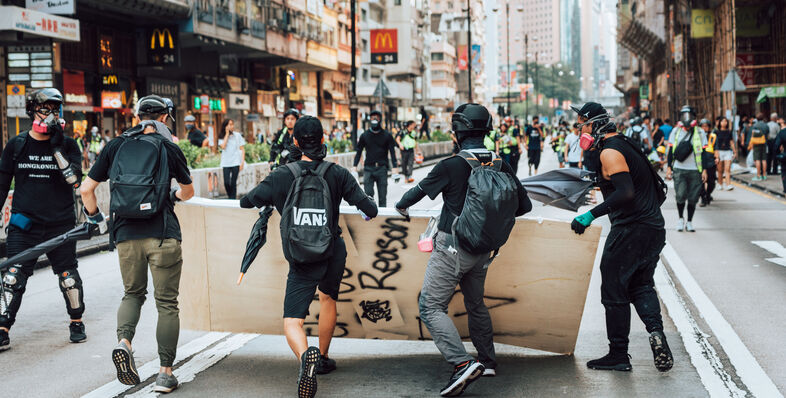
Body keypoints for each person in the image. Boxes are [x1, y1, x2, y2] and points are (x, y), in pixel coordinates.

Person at [395, 103, 532, 396]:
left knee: (430, 306)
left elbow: (413, 195)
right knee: (475, 303)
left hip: (452, 248)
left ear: (457, 131)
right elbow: (525, 205)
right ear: (486, 130)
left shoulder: (451, 165)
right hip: (484, 250)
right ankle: (487, 360)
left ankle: (461, 364)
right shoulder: (500, 163)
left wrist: (401, 206)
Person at [240, 116, 378, 398]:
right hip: (332, 251)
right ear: (323, 139)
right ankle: (323, 358)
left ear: (295, 141)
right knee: (328, 299)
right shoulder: (337, 173)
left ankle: (306, 357)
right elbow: (370, 209)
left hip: (301, 257)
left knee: (292, 320)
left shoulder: (282, 174)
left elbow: (246, 201)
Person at [80, 95, 194, 393]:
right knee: (166, 303)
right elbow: (188, 190)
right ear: (165, 118)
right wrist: (170, 197)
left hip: (126, 235)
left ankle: (124, 342)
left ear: (138, 116)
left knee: (132, 294)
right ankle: (165, 373)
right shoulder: (169, 147)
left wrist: (97, 219)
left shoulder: (116, 145)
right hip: (163, 233)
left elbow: (86, 189)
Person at [569, 102, 673, 373]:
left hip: (631, 230)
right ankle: (656, 334)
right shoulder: (625, 144)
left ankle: (618, 354)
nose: (581, 130)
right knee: (640, 285)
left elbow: (625, 191)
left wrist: (590, 215)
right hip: (652, 229)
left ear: (596, 125)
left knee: (613, 290)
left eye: (583, 125)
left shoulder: (610, 152)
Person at [0, 88, 86, 350]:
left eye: (55, 110)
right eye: (44, 109)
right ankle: (3, 326)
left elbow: (74, 180)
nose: (50, 115)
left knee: (68, 277)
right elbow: (2, 185)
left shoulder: (68, 145)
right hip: (24, 224)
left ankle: (76, 321)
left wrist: (56, 147)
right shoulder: (17, 144)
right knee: (13, 277)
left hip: (59, 224)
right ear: (31, 111)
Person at [666, 105, 708, 232]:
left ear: (694, 117)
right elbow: (670, 151)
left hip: (695, 170)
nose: (687, 118)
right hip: (679, 168)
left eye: (689, 115)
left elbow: (704, 152)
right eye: (684, 115)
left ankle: (689, 221)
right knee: (680, 194)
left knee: (693, 197)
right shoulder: (676, 131)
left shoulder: (700, 132)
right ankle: (680, 219)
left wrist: (704, 169)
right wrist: (669, 167)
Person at [353, 110, 398, 207]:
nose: (374, 119)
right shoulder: (364, 135)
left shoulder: (387, 135)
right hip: (368, 169)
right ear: (370, 119)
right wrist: (354, 166)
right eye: (372, 117)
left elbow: (392, 152)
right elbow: (359, 151)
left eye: (376, 117)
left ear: (380, 119)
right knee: (368, 195)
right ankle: (370, 215)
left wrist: (395, 167)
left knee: (383, 196)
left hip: (382, 168)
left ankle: (381, 218)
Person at [218, 119, 246, 199]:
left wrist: (242, 162)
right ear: (225, 126)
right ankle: (231, 197)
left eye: (232, 124)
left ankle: (232, 200)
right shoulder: (221, 137)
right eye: (229, 124)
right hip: (226, 162)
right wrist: (226, 134)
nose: (231, 126)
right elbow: (223, 146)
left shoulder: (237, 135)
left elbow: (242, 149)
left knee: (233, 183)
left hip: (236, 162)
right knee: (226, 182)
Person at [699, 119, 717, 207]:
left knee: (711, 182)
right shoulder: (697, 136)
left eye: (706, 126)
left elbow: (716, 148)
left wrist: (717, 157)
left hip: (710, 161)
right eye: (702, 126)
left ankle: (708, 194)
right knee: (700, 182)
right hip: (700, 161)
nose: (704, 128)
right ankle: (703, 198)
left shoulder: (713, 136)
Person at [714, 117, 736, 191]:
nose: (724, 123)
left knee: (727, 169)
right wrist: (715, 153)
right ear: (720, 123)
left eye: (726, 121)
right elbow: (714, 143)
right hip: (719, 151)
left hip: (727, 151)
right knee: (720, 170)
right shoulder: (716, 132)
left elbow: (731, 142)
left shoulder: (729, 132)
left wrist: (734, 151)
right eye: (723, 121)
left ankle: (728, 184)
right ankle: (720, 184)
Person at [749, 113, 769, 181]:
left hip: (756, 144)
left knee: (757, 159)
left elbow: (752, 135)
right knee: (764, 159)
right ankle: (764, 175)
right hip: (764, 143)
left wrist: (751, 143)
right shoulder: (766, 125)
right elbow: (768, 134)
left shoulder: (755, 125)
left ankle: (758, 175)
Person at [774, 118, 786, 193]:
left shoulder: (782, 133)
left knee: (784, 173)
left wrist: (778, 156)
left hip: (785, 157)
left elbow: (776, 146)